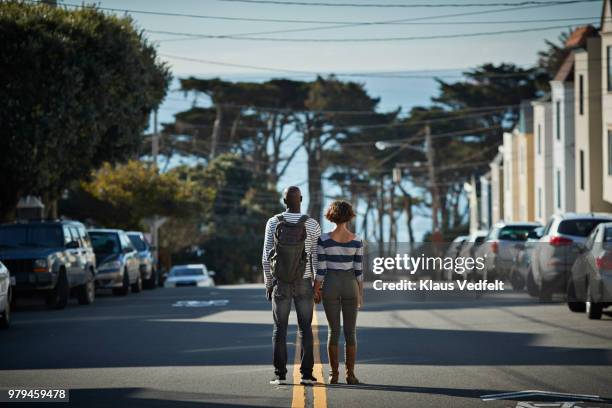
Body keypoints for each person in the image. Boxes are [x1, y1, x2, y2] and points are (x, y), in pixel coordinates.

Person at [262, 186, 321, 385]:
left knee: (279, 329)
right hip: (304, 282)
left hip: (281, 283)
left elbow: (265, 257)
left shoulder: (273, 222)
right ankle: (306, 374)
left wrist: (269, 284)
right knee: (305, 328)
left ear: (284, 201)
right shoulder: (312, 224)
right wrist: (316, 285)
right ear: (301, 199)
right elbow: (316, 258)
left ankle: (280, 374)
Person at [313, 200, 363, 385]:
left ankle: (334, 375)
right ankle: (351, 375)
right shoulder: (357, 240)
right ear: (349, 216)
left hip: (331, 286)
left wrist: (315, 290)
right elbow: (359, 271)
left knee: (333, 331)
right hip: (350, 285)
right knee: (351, 333)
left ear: (331, 216)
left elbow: (321, 270)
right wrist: (360, 295)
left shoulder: (324, 239)